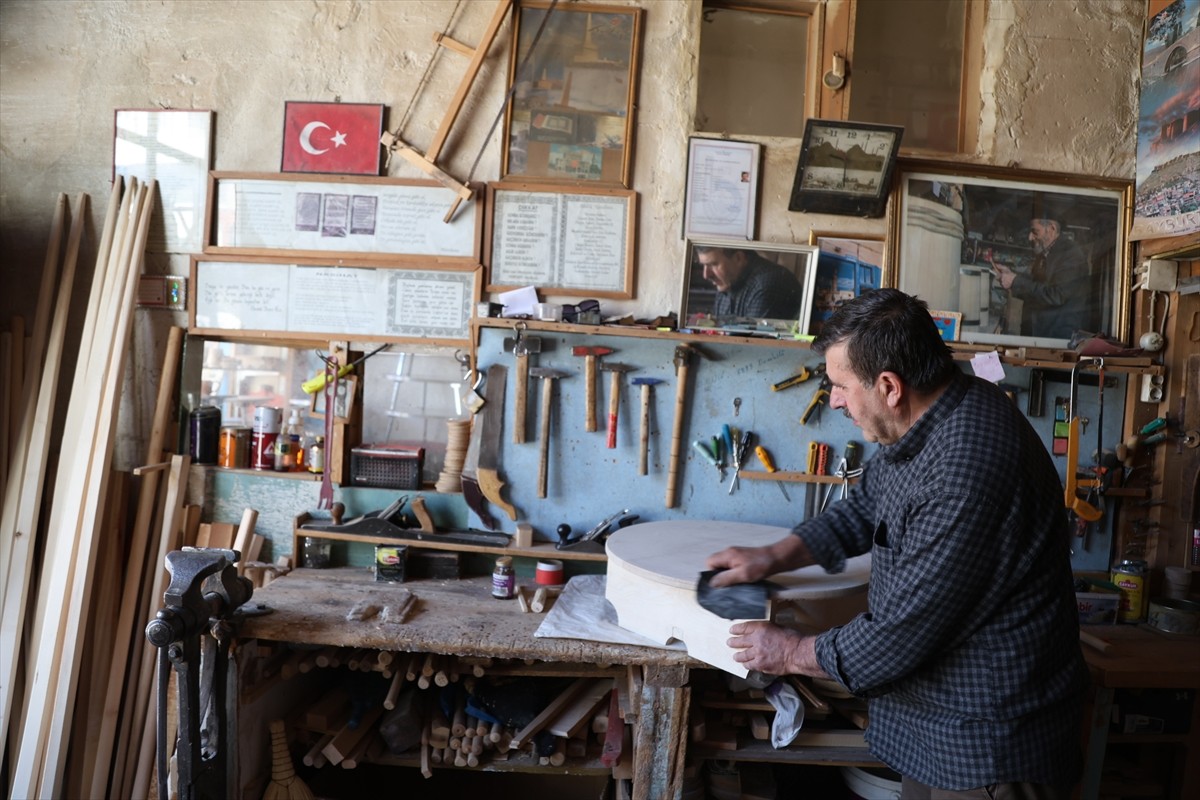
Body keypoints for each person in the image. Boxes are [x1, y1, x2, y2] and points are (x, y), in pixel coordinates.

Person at [705, 288, 1087, 799]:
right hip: (937, 726)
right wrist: (777, 555)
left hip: (989, 744)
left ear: (889, 385)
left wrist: (791, 652)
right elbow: (870, 505)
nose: (834, 399)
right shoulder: (937, 412)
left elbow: (897, 635)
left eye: (840, 385)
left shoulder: (966, 470)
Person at [990, 210, 1091, 339]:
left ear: (1051, 229)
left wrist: (1016, 281)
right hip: (1040, 332)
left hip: (1057, 337)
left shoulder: (1071, 254)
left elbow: (1056, 295)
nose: (1030, 237)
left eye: (1035, 231)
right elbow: (1037, 286)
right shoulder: (1045, 254)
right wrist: (1012, 277)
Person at [695, 246, 802, 319]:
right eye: (704, 266)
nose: (706, 275)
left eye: (713, 265)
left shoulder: (767, 285)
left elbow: (750, 347)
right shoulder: (727, 281)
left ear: (738, 258)